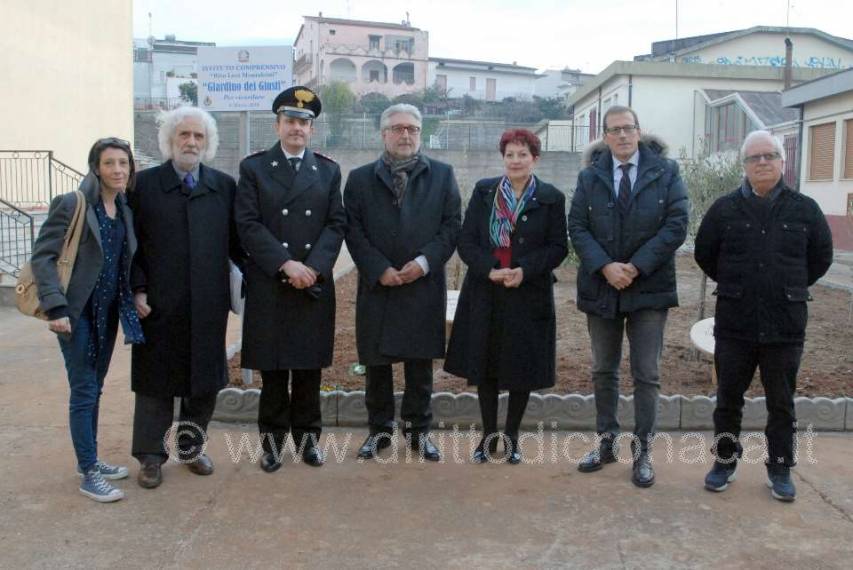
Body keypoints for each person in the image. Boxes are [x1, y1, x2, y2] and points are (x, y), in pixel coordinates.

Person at [695, 130, 833, 502]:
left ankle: (780, 467)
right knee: (727, 399)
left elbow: (821, 258)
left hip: (784, 323)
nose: (762, 163)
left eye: (769, 156)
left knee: (782, 403)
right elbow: (704, 254)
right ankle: (724, 462)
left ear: (781, 162)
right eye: (754, 158)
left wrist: (788, 285)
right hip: (735, 322)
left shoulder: (804, 209)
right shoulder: (724, 210)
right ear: (744, 165)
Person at [568, 106, 688, 488]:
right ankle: (606, 443)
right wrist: (606, 267)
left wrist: (634, 267)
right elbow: (577, 226)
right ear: (605, 136)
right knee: (604, 369)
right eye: (614, 130)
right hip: (602, 287)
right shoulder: (590, 176)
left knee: (646, 373)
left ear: (639, 131)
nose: (622, 135)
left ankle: (643, 452)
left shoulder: (665, 172)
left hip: (648, 288)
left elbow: (676, 224)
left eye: (628, 128)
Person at [235, 86, 345, 473]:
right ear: (278, 124)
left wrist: (312, 267)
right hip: (273, 283)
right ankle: (272, 445)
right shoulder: (253, 169)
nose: (297, 128)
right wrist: (286, 264)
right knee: (274, 371)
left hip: (312, 285)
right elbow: (247, 225)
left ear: (312, 129)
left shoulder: (328, 170)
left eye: (304, 122)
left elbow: (335, 224)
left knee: (309, 371)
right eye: (290, 121)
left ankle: (308, 441)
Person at [130, 107, 241, 489]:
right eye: (184, 136)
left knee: (203, 383)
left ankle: (191, 449)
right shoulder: (143, 186)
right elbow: (132, 246)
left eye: (199, 137)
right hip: (158, 304)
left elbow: (238, 245)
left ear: (207, 143)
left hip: (208, 305)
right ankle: (150, 457)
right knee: (155, 382)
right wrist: (137, 287)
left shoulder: (223, 186)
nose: (191, 142)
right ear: (169, 141)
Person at [344, 103, 462, 461]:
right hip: (378, 285)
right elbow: (353, 229)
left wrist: (424, 263)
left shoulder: (442, 175)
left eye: (412, 128)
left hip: (421, 285)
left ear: (420, 134)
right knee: (376, 367)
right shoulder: (361, 178)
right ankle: (378, 432)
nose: (405, 134)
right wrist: (378, 268)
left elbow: (451, 225)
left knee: (419, 366)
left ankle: (417, 432)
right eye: (397, 128)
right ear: (383, 134)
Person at [31, 137, 145, 502]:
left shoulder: (124, 208)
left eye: (123, 163)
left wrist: (135, 298)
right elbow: (43, 256)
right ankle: (89, 474)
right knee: (83, 391)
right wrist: (56, 308)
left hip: (109, 312)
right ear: (96, 167)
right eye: (110, 163)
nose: (118, 170)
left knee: (94, 387)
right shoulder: (73, 204)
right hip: (75, 314)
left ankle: (89, 460)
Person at [444, 129, 567, 464]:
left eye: (522, 155)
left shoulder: (551, 197)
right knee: (486, 364)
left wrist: (524, 270)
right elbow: (466, 240)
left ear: (535, 159)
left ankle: (511, 435)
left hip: (528, 292)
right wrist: (488, 269)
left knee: (520, 365)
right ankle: (487, 435)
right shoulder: (485, 192)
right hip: (487, 290)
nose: (515, 161)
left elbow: (558, 247)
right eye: (510, 154)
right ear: (503, 158)